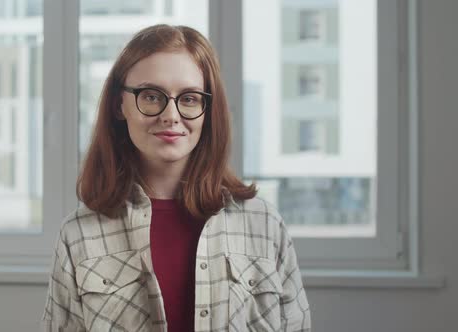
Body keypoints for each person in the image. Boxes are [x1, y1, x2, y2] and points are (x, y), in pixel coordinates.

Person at [41, 24, 311, 332]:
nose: (171, 115)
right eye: (152, 96)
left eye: (190, 98)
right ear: (120, 104)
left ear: (209, 110)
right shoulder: (78, 235)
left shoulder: (265, 225)